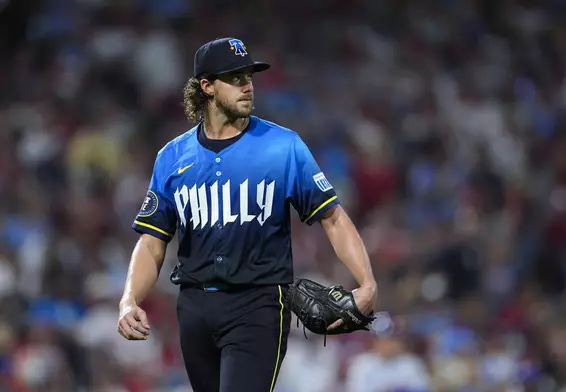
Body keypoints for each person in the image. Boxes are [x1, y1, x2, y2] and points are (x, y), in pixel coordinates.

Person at [116, 37, 378, 392]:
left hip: (258, 303)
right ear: (206, 87)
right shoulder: (172, 157)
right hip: (194, 307)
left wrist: (367, 282)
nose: (248, 86)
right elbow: (152, 241)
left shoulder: (282, 146)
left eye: (249, 77)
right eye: (235, 78)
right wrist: (129, 299)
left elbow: (332, 217)